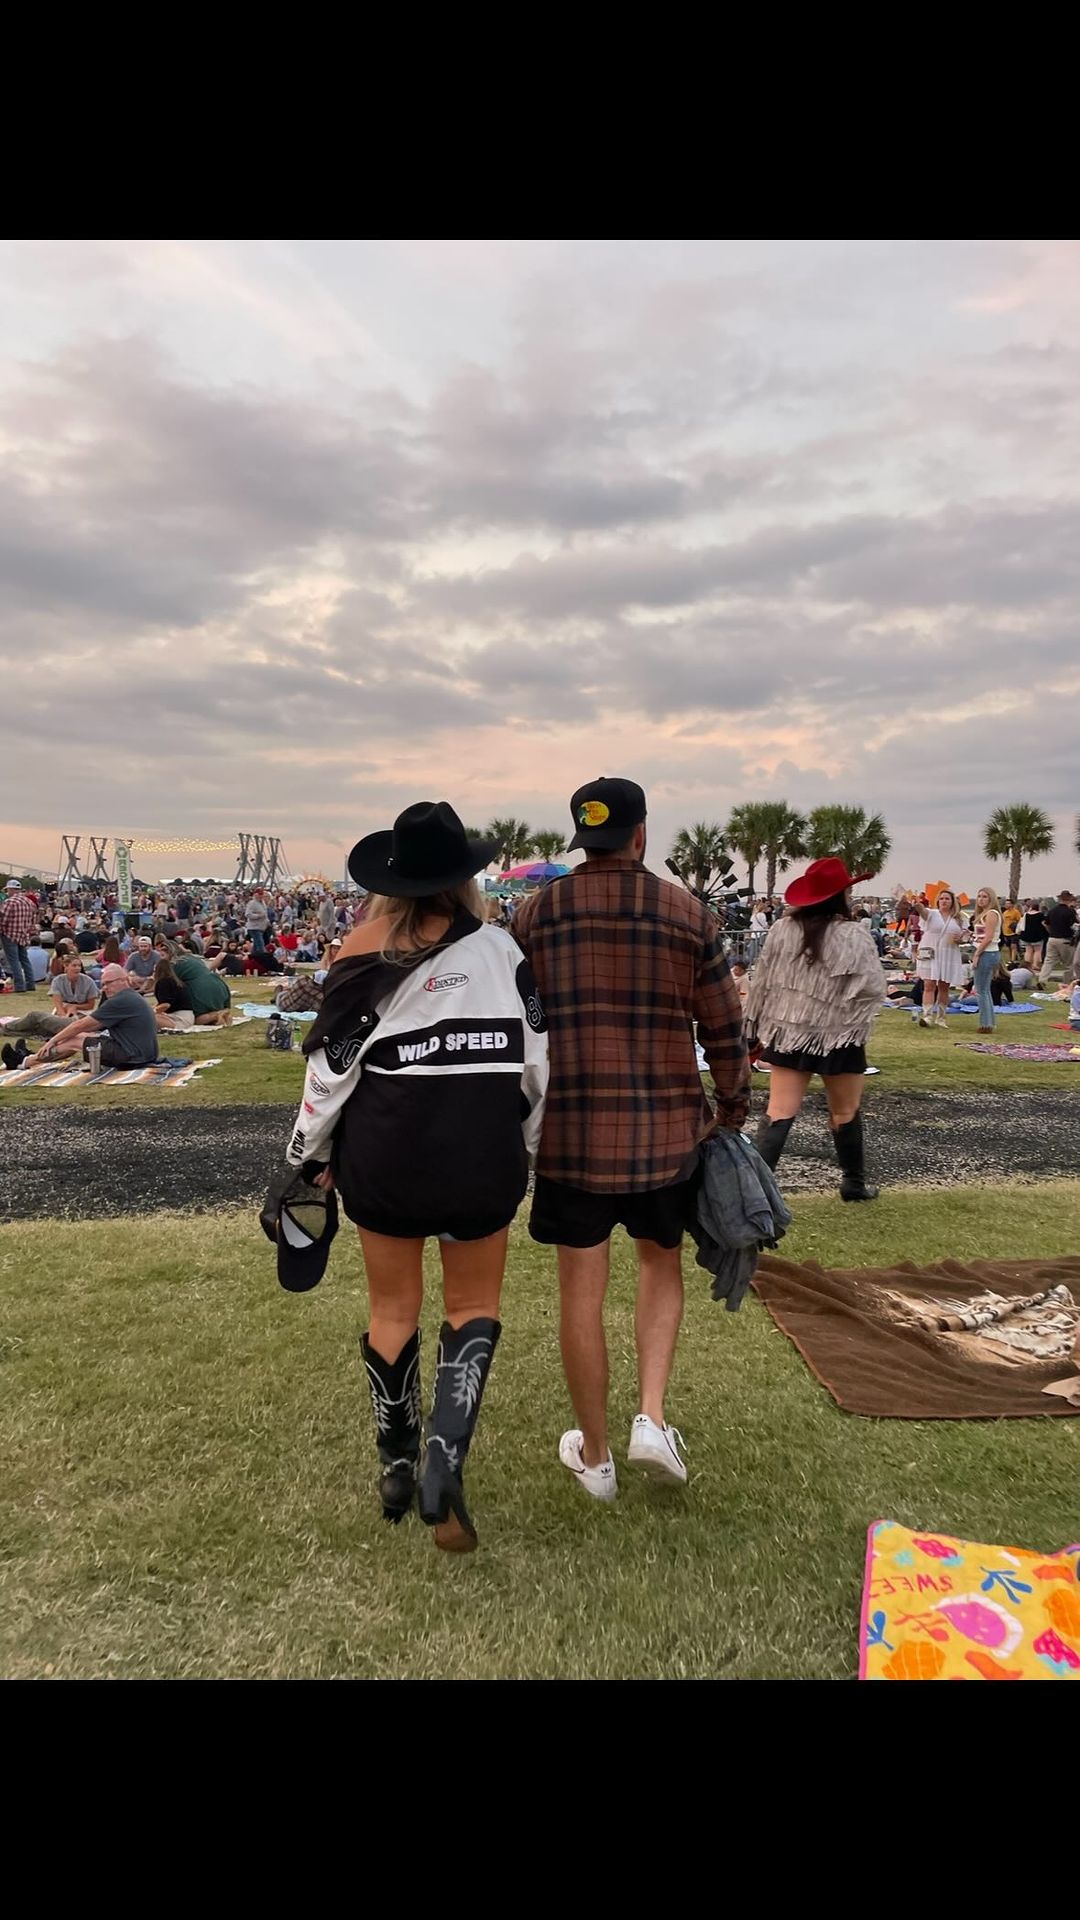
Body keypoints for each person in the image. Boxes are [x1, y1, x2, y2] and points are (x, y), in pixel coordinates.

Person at [285, 802, 548, 1553]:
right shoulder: (501, 949)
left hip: (386, 1152)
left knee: (392, 1308)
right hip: (481, 1152)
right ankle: (444, 1462)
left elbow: (328, 1076)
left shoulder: (359, 949)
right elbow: (537, 1064)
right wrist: (528, 1149)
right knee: (474, 1305)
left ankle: (397, 1462)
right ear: (463, 875)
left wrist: (302, 1159)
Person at [513, 777, 749, 1501]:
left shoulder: (534, 915)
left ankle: (596, 1456)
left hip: (570, 1135)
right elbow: (725, 1028)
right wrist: (733, 1108)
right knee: (659, 1264)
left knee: (581, 1294)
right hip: (664, 1134)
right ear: (642, 833)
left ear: (584, 840)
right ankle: (652, 1417)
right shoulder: (689, 913)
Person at [744, 857, 886, 1199]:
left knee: (779, 1110)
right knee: (845, 1110)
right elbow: (872, 987)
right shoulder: (854, 934)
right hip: (840, 1036)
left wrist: (754, 1026)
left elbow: (763, 981)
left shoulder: (782, 930)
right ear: (841, 895)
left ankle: (757, 1193)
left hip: (790, 1031)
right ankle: (853, 1183)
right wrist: (841, 1006)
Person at [26, 964, 159, 1070]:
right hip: (145, 1054)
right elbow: (90, 1026)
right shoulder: (131, 996)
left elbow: (80, 1025)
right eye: (103, 984)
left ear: (123, 980)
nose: (104, 988)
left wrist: (52, 1041)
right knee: (81, 1037)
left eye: (108, 983)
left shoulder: (120, 1000)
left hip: (132, 1057)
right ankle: (32, 1058)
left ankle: (27, 1061)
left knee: (75, 1041)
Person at [0, 956, 99, 1063]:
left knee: (35, 1015)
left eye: (79, 965)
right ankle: (5, 1031)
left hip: (80, 1019)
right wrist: (64, 1015)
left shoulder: (88, 981)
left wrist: (75, 1007)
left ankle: (6, 1027)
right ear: (65, 967)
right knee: (38, 1030)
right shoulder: (58, 981)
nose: (77, 968)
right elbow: (59, 1006)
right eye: (74, 965)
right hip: (64, 1017)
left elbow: (90, 1005)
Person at [909, 887, 965, 1029]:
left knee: (944, 986)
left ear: (952, 901)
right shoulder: (932, 914)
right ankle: (927, 1016)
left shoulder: (959, 918)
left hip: (948, 953)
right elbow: (922, 911)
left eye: (947, 898)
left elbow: (965, 936)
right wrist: (917, 904)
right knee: (929, 984)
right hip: (930, 951)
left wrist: (961, 939)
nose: (944, 901)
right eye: (941, 898)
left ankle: (941, 1017)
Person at [166, 942, 233, 1025]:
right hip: (218, 984)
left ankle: (215, 1015)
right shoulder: (193, 958)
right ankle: (221, 1013)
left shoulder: (174, 964)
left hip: (200, 989)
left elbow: (167, 986)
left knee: (196, 1019)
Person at [972, 886, 1003, 1032]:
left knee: (981, 990)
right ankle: (989, 1022)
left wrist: (977, 954)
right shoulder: (984, 914)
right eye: (979, 896)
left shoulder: (991, 914)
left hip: (987, 952)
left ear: (991, 899)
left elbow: (988, 937)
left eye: (984, 896)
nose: (981, 899)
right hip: (988, 952)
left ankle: (985, 1023)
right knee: (985, 990)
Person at [1, 880, 37, 993]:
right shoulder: (29, 902)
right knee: (24, 960)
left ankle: (19, 986)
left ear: (11, 889)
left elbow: (3, 919)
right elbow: (33, 920)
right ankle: (30, 984)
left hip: (9, 934)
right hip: (23, 935)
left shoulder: (9, 902)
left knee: (14, 961)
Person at [1038, 892, 1078, 989]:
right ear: (1069, 899)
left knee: (1048, 961)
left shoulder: (1052, 911)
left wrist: (1050, 931)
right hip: (1065, 939)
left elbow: (1045, 923)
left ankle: (1042, 980)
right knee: (1069, 964)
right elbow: (1075, 925)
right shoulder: (1070, 912)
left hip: (1052, 938)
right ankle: (1067, 983)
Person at [150, 953, 196, 1031]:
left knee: (148, 1017)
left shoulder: (164, 982)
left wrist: (152, 1011)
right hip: (187, 1017)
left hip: (180, 1019)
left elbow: (166, 1005)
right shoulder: (175, 981)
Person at [1020, 899, 1046, 971]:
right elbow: (1044, 924)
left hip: (1026, 935)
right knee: (1037, 951)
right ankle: (1035, 965)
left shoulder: (1026, 914)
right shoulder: (1040, 915)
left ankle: (1027, 965)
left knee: (1028, 951)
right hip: (1037, 935)